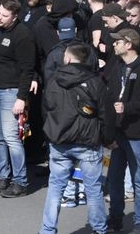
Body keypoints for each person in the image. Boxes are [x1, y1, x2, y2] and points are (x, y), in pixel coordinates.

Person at [38, 43, 109, 234]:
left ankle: (47, 230)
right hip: (88, 141)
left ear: (68, 59)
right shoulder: (96, 82)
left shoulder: (53, 80)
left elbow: (46, 109)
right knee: (93, 189)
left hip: (60, 140)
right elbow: (106, 114)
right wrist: (107, 138)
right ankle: (99, 229)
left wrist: (50, 132)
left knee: (55, 187)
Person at [104, 28, 140, 234]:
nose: (114, 44)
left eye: (118, 42)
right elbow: (110, 94)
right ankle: (115, 218)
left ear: (129, 45)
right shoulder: (117, 67)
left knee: (139, 179)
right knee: (115, 177)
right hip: (119, 131)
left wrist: (126, 107)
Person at [0, 0, 37, 198]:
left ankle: (20, 181)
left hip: (10, 91)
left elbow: (27, 68)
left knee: (12, 138)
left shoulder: (23, 34)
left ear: (14, 16)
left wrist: (21, 97)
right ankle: (2, 176)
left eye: (4, 15)